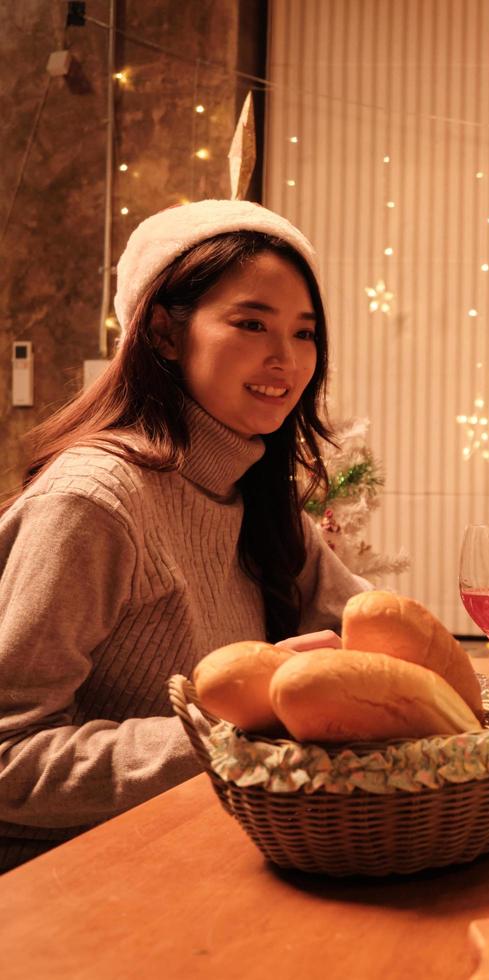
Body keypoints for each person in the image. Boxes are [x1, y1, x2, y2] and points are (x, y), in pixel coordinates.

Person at [0, 200, 368, 872]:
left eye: (305, 332)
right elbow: (9, 757)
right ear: (166, 334)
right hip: (71, 886)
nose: (285, 359)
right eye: (251, 323)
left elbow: (368, 630)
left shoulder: (257, 496)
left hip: (209, 854)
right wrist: (234, 737)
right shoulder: (94, 501)